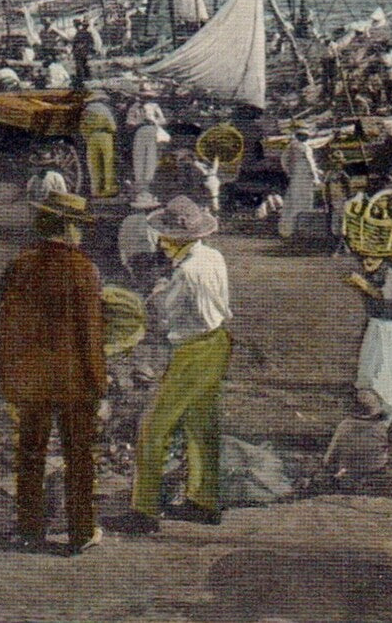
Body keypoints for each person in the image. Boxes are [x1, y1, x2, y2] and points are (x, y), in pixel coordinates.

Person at [110, 196, 232, 534]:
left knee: (152, 426)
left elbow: (163, 318)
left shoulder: (185, 273)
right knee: (200, 423)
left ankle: (144, 510)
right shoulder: (214, 256)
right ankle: (205, 501)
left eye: (164, 238)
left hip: (193, 349)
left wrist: (156, 293)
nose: (160, 243)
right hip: (218, 342)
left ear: (179, 240)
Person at [0, 191, 106, 553]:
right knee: (78, 456)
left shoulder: (19, 265)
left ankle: (30, 530)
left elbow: (2, 326)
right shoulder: (83, 269)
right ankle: (80, 532)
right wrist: (99, 384)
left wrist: (7, 378)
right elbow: (91, 334)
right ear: (70, 228)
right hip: (73, 381)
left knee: (29, 455)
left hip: (31, 379)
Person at [346, 250, 392, 421]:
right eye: (363, 257)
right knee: (369, 367)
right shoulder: (371, 273)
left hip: (388, 328)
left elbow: (385, 296)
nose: (367, 261)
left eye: (372, 256)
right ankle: (371, 405)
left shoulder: (390, 272)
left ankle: (386, 408)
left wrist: (362, 285)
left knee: (383, 370)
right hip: (375, 325)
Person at [279, 125, 322, 239]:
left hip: (297, 177)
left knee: (293, 202)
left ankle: (289, 229)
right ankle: (299, 229)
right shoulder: (304, 148)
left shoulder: (291, 146)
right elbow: (310, 164)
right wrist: (316, 177)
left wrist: (289, 172)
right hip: (303, 178)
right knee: (302, 201)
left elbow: (284, 160)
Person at [118, 190, 164, 285]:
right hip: (149, 261)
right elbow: (157, 244)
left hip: (132, 261)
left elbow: (122, 245)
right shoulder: (156, 221)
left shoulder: (127, 220)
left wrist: (125, 263)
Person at [80, 89, 119, 198]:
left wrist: (87, 137)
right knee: (108, 162)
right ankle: (108, 188)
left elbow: (82, 127)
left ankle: (95, 189)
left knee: (93, 163)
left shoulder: (86, 111)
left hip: (92, 137)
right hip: (105, 135)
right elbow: (112, 126)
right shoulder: (105, 109)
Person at [130, 94, 170, 193]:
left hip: (147, 129)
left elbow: (130, 121)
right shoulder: (137, 106)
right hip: (143, 129)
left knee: (148, 155)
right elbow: (162, 120)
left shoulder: (152, 106)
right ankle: (142, 182)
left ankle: (146, 182)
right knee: (143, 155)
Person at [70, 17, 99, 84]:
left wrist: (83, 47)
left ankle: (83, 77)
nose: (76, 26)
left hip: (83, 51)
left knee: (81, 64)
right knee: (82, 63)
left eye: (77, 25)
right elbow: (75, 42)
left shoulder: (85, 32)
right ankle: (85, 77)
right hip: (81, 51)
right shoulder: (80, 32)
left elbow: (90, 42)